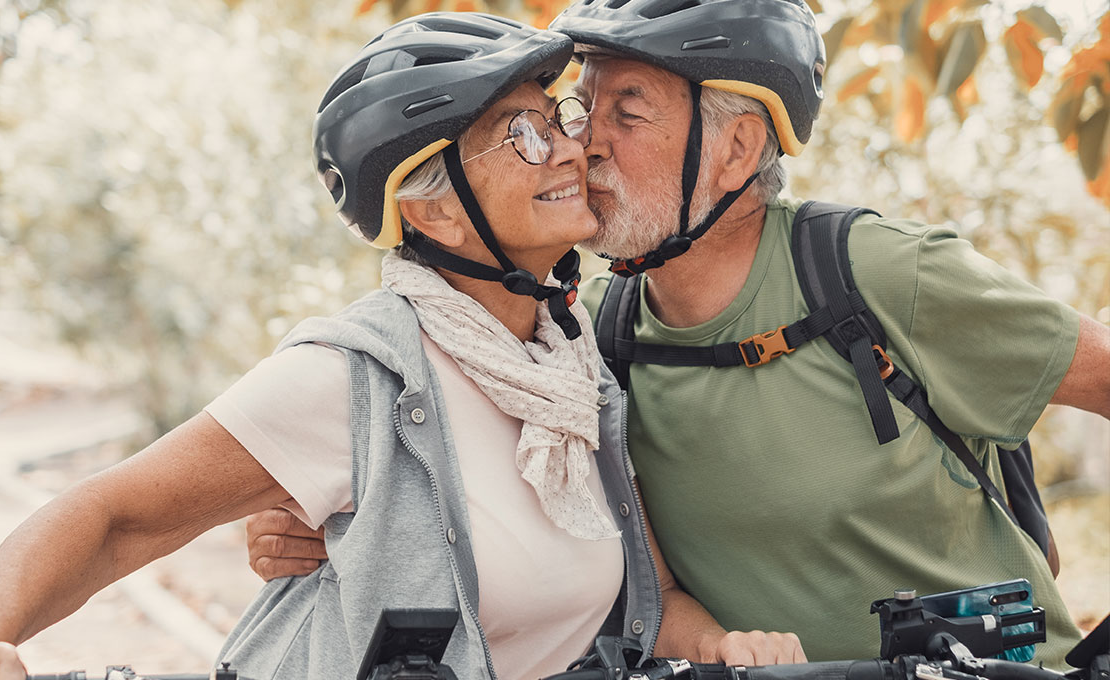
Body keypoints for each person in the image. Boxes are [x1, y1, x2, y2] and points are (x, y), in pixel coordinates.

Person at [0, 13, 779, 680]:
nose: (569, 147)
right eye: (522, 134)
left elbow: (646, 601)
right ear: (431, 205)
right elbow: (109, 516)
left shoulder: (568, 364)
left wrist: (732, 647)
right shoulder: (354, 377)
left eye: (555, 119)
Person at [244, 0, 1110, 667]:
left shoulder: (877, 273)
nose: (586, 146)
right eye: (584, 109)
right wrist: (331, 526)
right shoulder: (595, 345)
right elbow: (539, 533)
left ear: (734, 151)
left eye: (628, 110)